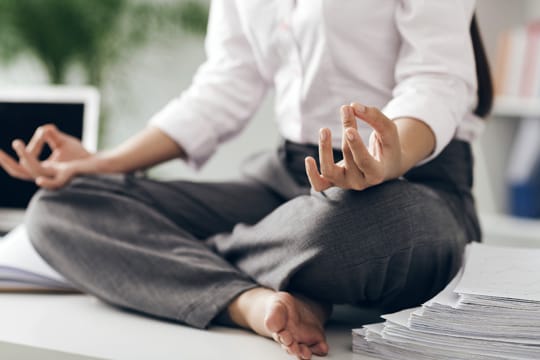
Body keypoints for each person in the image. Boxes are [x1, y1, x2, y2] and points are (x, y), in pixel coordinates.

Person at [0, 1, 492, 359]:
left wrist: (389, 157)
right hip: (287, 179)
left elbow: (437, 79)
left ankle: (169, 257)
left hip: (409, 179)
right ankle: (249, 301)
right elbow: (226, 82)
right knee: (61, 204)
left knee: (352, 230)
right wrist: (103, 163)